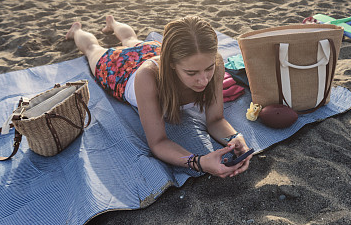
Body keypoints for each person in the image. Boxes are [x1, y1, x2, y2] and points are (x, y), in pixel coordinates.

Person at [66, 15, 252, 178]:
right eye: (191, 73)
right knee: (92, 49)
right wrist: (199, 162)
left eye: (208, 68)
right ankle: (76, 31)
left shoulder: (214, 63)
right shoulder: (148, 77)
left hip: (152, 50)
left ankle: (112, 23)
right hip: (122, 71)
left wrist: (235, 138)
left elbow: (216, 120)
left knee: (131, 39)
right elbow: (158, 143)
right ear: (172, 64)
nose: (203, 80)